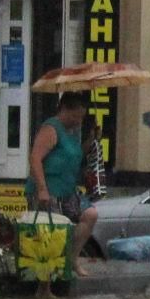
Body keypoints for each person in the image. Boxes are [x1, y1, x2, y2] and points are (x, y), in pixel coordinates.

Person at [27, 93, 100, 271]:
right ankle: (51, 274)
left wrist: (91, 140)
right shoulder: (51, 128)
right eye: (77, 116)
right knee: (52, 232)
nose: (79, 120)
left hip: (68, 190)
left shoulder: (74, 131)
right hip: (49, 189)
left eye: (82, 116)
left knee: (90, 215)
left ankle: (71, 259)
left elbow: (75, 155)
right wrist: (42, 189)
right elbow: (35, 158)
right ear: (65, 109)